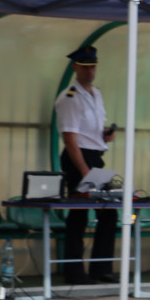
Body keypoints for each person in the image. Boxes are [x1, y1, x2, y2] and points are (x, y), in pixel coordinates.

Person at [54, 45, 119, 285]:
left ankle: (101, 269)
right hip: (78, 159)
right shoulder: (69, 97)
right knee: (79, 214)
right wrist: (84, 173)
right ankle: (74, 272)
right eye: (85, 67)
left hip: (94, 156)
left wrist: (105, 134)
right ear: (75, 68)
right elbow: (70, 139)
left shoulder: (96, 93)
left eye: (93, 67)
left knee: (109, 212)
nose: (90, 71)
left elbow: (91, 129)